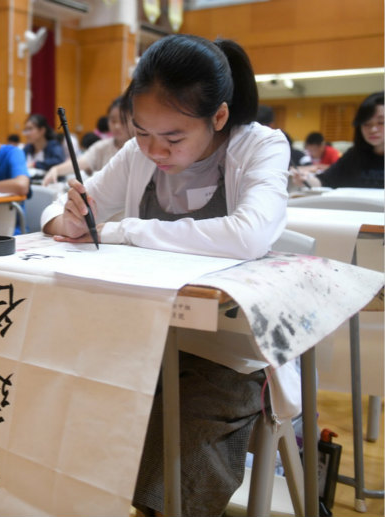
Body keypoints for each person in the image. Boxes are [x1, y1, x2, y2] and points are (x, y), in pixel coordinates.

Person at [41, 34, 289, 516]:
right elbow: (62, 202)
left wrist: (125, 230)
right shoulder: (137, 155)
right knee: (65, 417)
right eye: (141, 132)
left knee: (182, 463)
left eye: (174, 137)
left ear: (218, 117)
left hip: (229, 350)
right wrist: (67, 219)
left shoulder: (259, 146)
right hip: (142, 337)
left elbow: (249, 234)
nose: (154, 150)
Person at [294, 91, 384, 189]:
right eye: (366, 124)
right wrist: (305, 180)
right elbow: (324, 180)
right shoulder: (354, 155)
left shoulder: (332, 152)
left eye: (381, 122)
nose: (373, 129)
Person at [43, 97, 133, 186]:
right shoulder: (102, 146)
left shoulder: (138, 148)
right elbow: (81, 162)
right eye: (113, 121)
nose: (117, 126)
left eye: (123, 121)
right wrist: (56, 169)